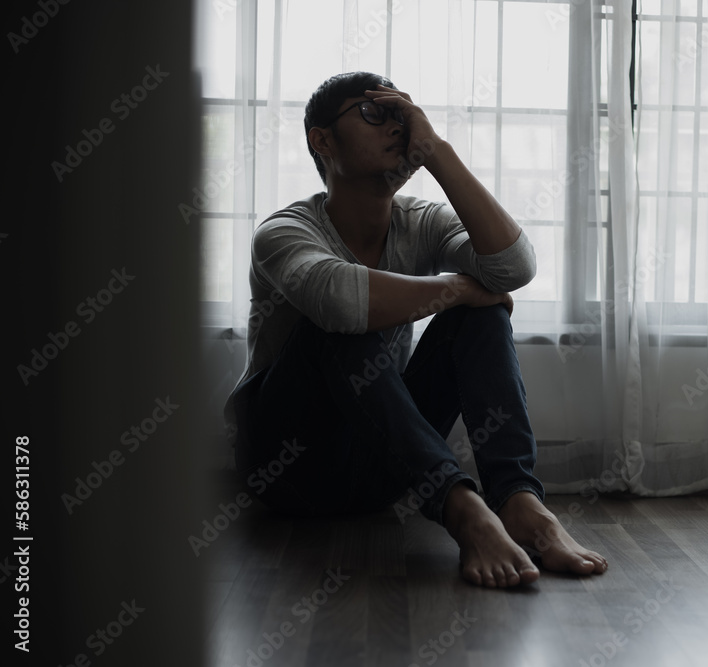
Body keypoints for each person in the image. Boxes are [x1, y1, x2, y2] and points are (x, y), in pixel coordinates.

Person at [223, 72, 607, 588]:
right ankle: (464, 511)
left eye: (403, 116)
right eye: (373, 113)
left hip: (382, 464)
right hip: (287, 469)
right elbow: (340, 301)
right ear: (322, 140)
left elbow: (513, 268)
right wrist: (460, 286)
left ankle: (519, 501)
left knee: (480, 314)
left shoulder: (421, 222)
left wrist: (437, 152)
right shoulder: (283, 231)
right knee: (338, 326)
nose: (397, 127)